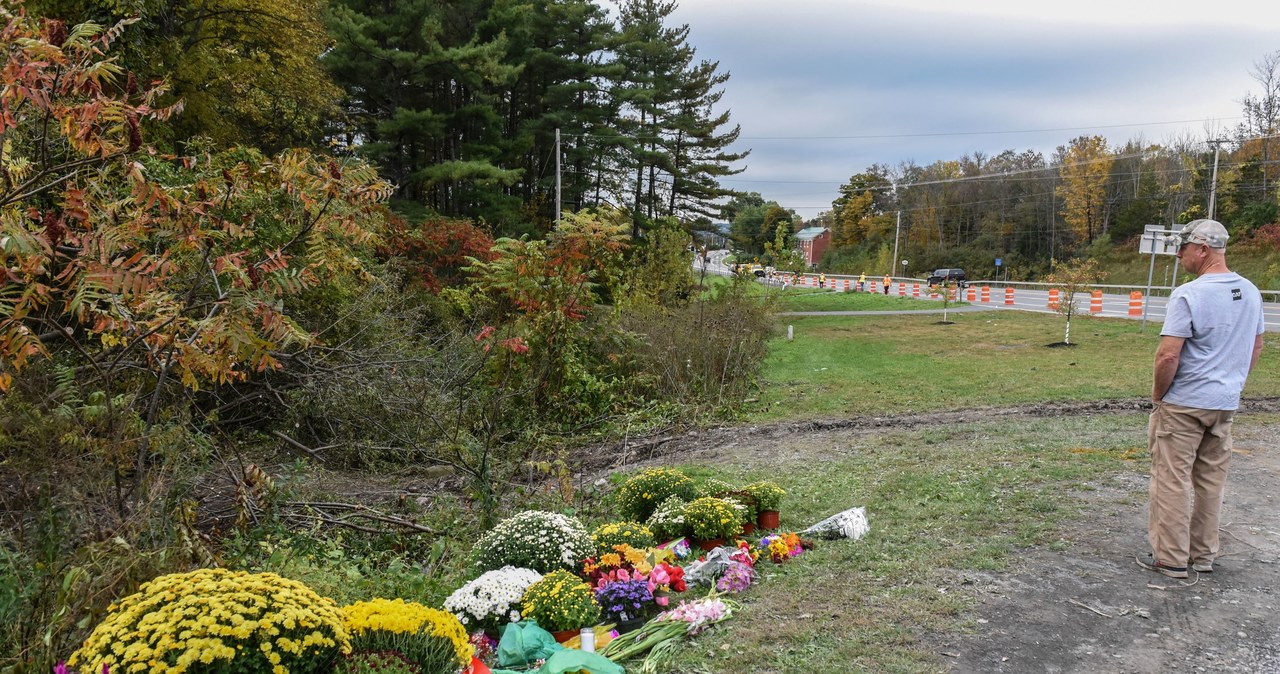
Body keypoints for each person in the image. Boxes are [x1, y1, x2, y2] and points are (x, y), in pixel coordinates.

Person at [1138, 219, 1265, 579]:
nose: (1179, 255)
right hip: (1224, 403)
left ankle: (1171, 558)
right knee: (1211, 481)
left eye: (1183, 248)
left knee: (1171, 479)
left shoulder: (1189, 294)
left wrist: (1159, 395)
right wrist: (1233, 382)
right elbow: (1256, 345)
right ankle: (1204, 555)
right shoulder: (1251, 291)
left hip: (1184, 403)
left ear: (1203, 249)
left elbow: (1167, 355)